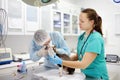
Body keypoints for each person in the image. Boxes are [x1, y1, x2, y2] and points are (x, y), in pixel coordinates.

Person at [48, 8, 109, 80]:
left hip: (98, 77)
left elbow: (83, 64)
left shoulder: (96, 39)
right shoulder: (82, 37)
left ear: (92, 22)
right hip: (86, 76)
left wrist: (61, 62)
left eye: (82, 21)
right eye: (79, 20)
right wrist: (64, 60)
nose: (79, 23)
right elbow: (78, 56)